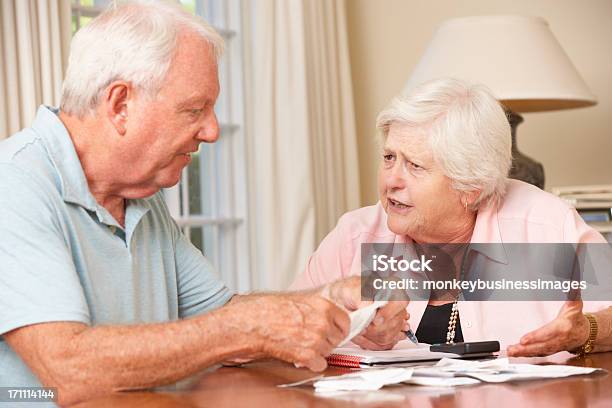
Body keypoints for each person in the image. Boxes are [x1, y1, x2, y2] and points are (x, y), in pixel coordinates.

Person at [0, 1, 405, 405]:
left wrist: (333, 303)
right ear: (120, 105)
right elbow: (68, 370)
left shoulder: (140, 196)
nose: (211, 131)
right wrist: (240, 328)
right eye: (194, 110)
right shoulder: (15, 184)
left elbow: (222, 313)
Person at [291, 77, 612, 354]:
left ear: (471, 186)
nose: (391, 180)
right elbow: (283, 322)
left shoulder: (545, 226)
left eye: (414, 166)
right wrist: (344, 322)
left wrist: (586, 332)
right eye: (389, 157)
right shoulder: (357, 235)